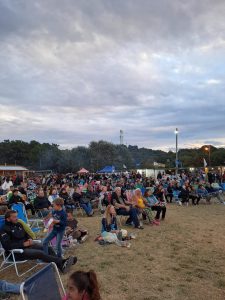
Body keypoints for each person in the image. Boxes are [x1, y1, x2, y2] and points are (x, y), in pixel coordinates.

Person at [0, 210, 77, 273]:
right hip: (16, 252)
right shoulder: (4, 229)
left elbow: (26, 234)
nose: (16, 218)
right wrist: (23, 244)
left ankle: (60, 266)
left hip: (28, 246)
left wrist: (29, 239)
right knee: (40, 253)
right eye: (14, 217)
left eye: (16, 216)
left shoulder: (18, 224)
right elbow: (6, 246)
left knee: (48, 248)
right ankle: (63, 261)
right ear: (8, 219)